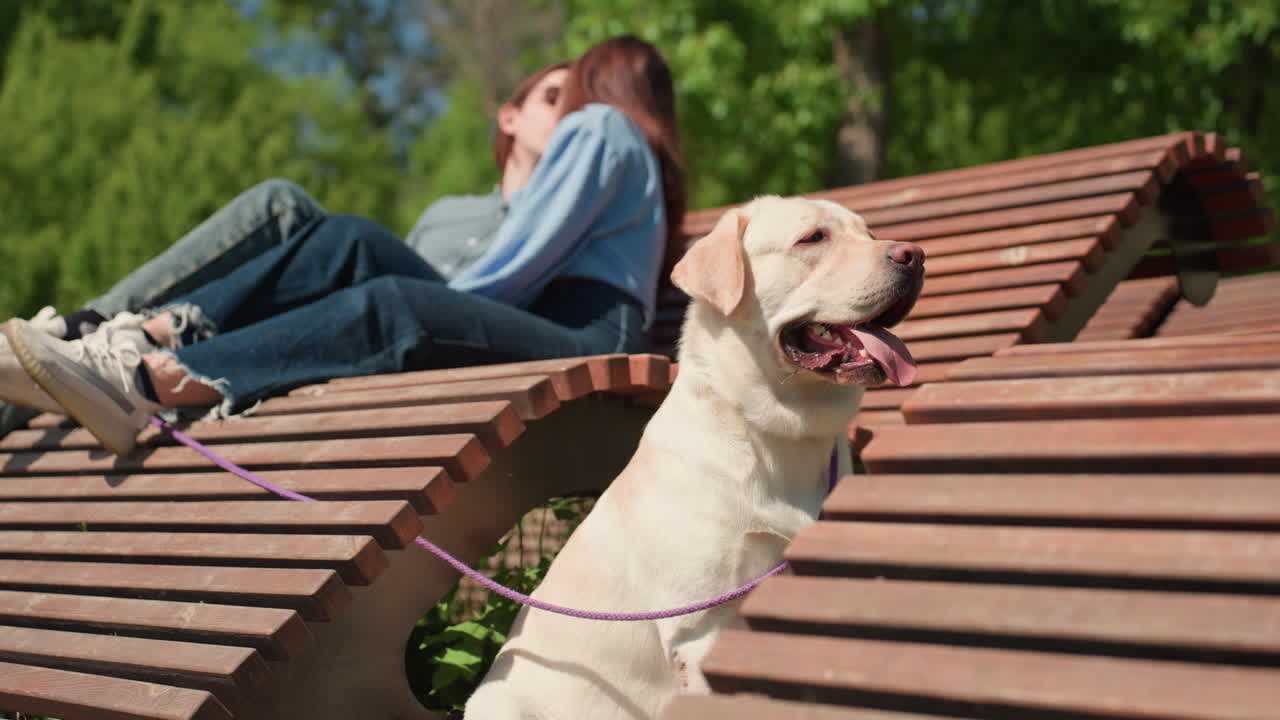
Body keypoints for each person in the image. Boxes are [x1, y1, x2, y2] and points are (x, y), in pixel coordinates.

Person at [1, 35, 686, 457]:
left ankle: (144, 380)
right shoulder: (628, 145)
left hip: (591, 341)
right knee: (348, 237)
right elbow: (528, 262)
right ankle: (145, 334)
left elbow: (523, 259)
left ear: (602, 81)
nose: (563, 107)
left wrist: (423, 303)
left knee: (392, 304)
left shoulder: (602, 128)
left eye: (569, 88)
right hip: (565, 325)